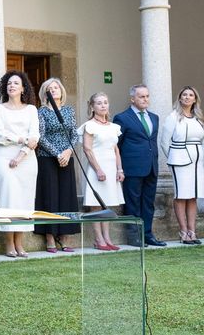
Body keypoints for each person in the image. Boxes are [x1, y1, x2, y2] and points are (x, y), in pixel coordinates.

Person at [0, 70, 39, 258]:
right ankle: (9, 243)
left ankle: (20, 242)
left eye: (16, 83)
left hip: (27, 160)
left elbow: (35, 137)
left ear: (23, 88)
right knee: (8, 200)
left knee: (24, 202)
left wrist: (21, 155)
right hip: (4, 158)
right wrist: (21, 139)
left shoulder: (31, 110)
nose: (12, 86)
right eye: (9, 83)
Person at [114, 84, 166, 247]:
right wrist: (119, 168)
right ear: (132, 99)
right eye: (141, 96)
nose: (145, 99)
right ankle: (134, 237)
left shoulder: (154, 117)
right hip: (133, 168)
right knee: (133, 203)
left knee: (148, 203)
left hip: (151, 167)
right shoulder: (122, 118)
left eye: (147, 96)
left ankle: (148, 234)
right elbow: (117, 146)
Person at [33, 78, 80, 252]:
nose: (53, 90)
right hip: (47, 158)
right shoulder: (42, 112)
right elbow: (41, 137)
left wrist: (68, 151)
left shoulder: (68, 110)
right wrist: (58, 153)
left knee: (67, 197)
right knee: (50, 197)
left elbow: (74, 133)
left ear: (61, 91)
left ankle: (65, 237)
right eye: (49, 88)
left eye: (56, 87)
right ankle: (50, 237)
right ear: (45, 93)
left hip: (67, 158)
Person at [158, 86, 204, 245]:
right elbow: (164, 142)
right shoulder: (173, 117)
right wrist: (173, 158)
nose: (187, 97)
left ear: (195, 99)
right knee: (181, 195)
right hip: (179, 161)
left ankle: (192, 231)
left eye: (191, 95)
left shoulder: (198, 118)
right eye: (184, 94)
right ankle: (183, 231)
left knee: (192, 196)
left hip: (197, 161)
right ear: (179, 98)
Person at [79, 92, 124, 250]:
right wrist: (98, 170)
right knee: (96, 205)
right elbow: (87, 149)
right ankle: (99, 239)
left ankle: (108, 238)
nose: (103, 105)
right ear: (92, 106)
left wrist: (120, 169)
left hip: (112, 168)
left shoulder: (113, 127)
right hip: (97, 168)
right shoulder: (90, 126)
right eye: (99, 103)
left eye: (105, 102)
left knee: (108, 205)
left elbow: (116, 150)